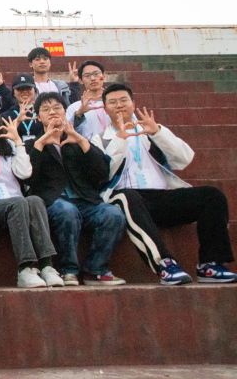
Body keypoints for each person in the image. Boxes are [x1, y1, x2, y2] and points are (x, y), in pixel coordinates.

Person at [95, 83, 236, 284]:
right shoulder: (100, 139)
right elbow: (103, 174)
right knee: (127, 196)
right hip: (124, 197)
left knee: (212, 195)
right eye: (113, 102)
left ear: (133, 103)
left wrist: (157, 133)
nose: (119, 105)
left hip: (161, 196)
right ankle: (165, 265)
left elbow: (184, 159)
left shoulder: (151, 130)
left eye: (123, 100)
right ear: (105, 108)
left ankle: (210, 265)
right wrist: (120, 140)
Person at [0, 96, 63, 289]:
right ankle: (25, 269)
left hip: (15, 203)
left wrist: (17, 142)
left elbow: (25, 173)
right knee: (19, 203)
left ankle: (47, 266)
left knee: (35, 200)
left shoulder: (6, 143)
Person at [27, 92, 123, 286]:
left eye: (57, 108)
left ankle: (96, 269)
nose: (52, 112)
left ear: (65, 112)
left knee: (113, 214)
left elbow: (102, 172)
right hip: (53, 202)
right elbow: (28, 178)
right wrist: (40, 144)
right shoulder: (33, 144)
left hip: (85, 200)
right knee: (67, 211)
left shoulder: (77, 141)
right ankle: (68, 270)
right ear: (38, 117)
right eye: (46, 109)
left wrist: (81, 141)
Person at [66, 60, 112, 140]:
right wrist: (79, 114)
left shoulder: (116, 103)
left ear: (104, 76)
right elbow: (66, 132)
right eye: (87, 76)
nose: (93, 78)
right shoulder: (75, 108)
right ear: (80, 80)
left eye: (96, 74)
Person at [3, 74, 43, 144]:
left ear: (35, 91)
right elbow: (4, 138)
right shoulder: (6, 116)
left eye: (28, 88)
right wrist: (17, 121)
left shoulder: (42, 112)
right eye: (20, 89)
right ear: (13, 93)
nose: (24, 91)